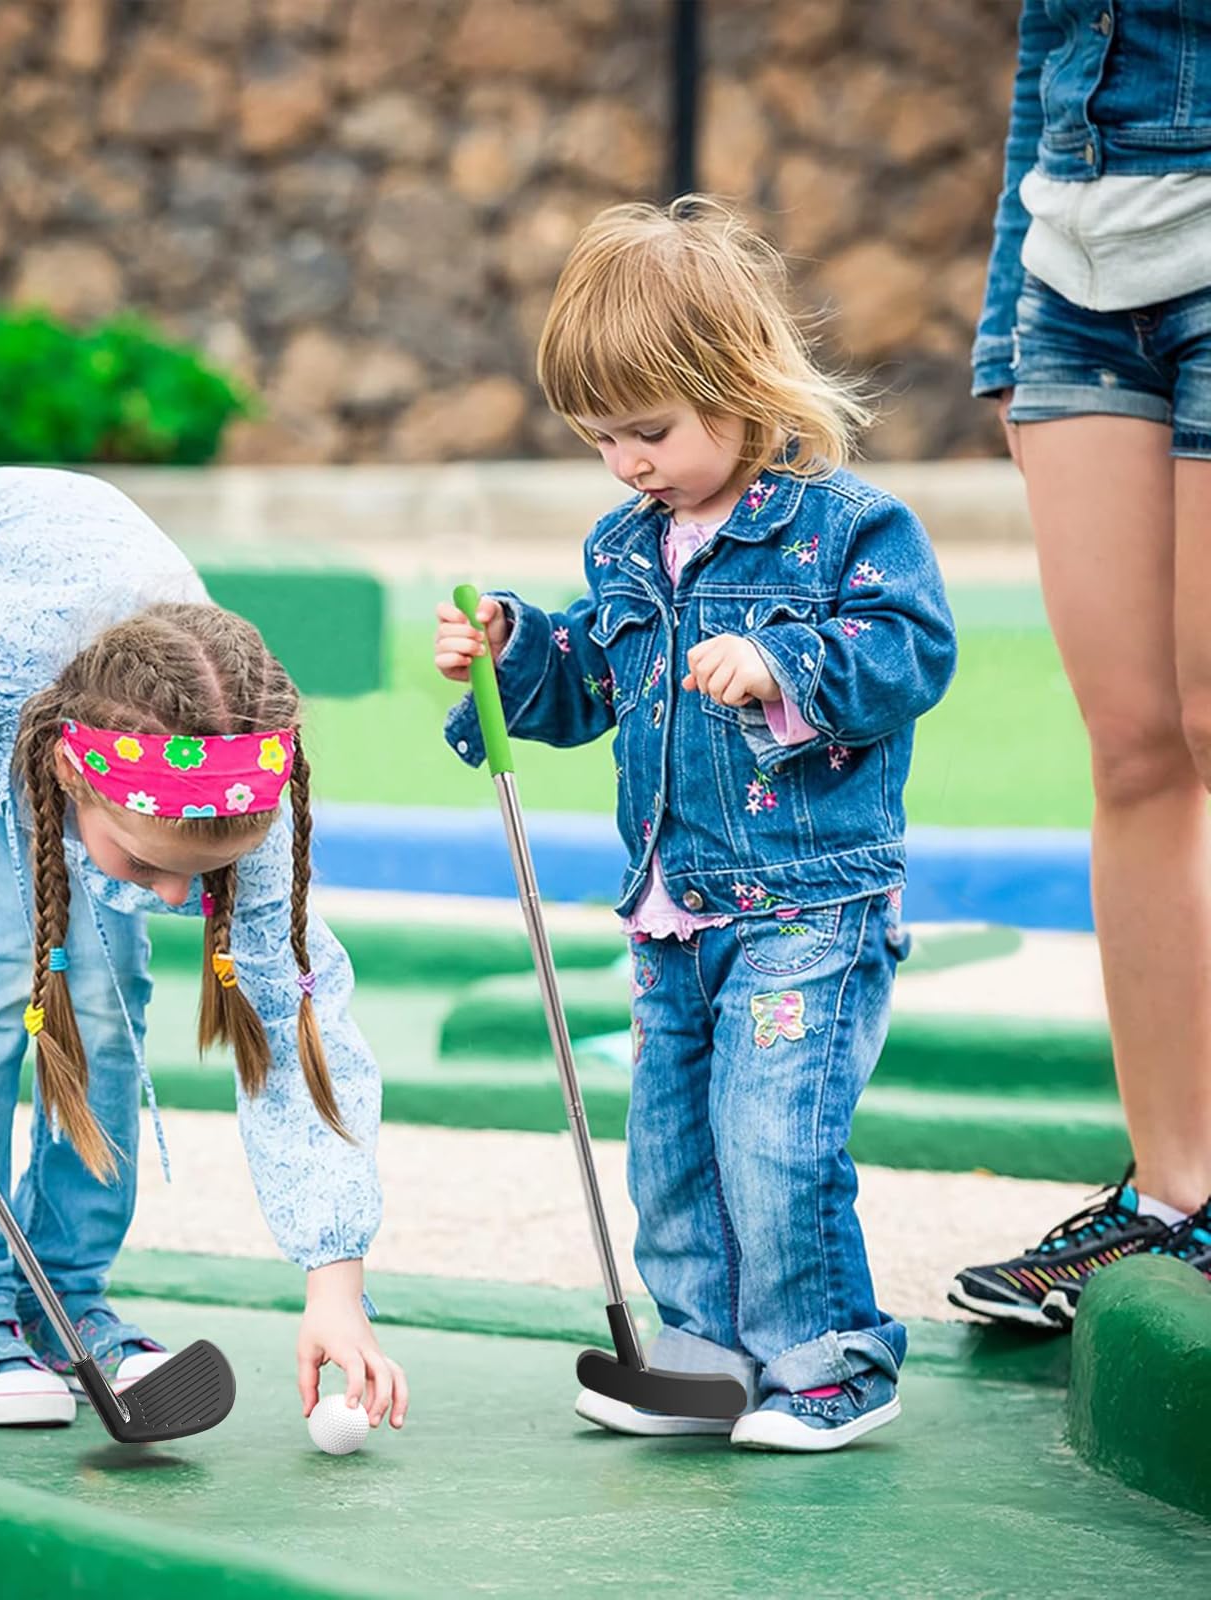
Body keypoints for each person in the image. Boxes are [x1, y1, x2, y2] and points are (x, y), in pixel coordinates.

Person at [0, 465, 408, 1431]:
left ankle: (62, 1299)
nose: (177, 896)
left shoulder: (239, 786)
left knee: (107, 975)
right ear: (72, 779)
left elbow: (304, 1032)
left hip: (87, 647)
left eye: (196, 874)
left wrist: (335, 1287)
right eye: (146, 861)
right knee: (6, 942)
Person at [434, 198, 956, 1451]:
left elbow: (911, 651)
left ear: (739, 383)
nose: (628, 462)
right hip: (674, 906)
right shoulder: (626, 547)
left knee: (773, 1134)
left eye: (650, 431)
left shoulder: (844, 527)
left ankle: (827, 1355)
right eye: (602, 437)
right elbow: (591, 689)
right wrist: (514, 650)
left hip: (808, 902)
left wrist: (783, 664)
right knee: (669, 1136)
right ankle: (706, 1346)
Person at [952, 0, 1211, 1330]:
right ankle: (1174, 1198)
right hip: (1076, 284)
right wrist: (1009, 325)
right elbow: (1049, 56)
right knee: (1134, 745)